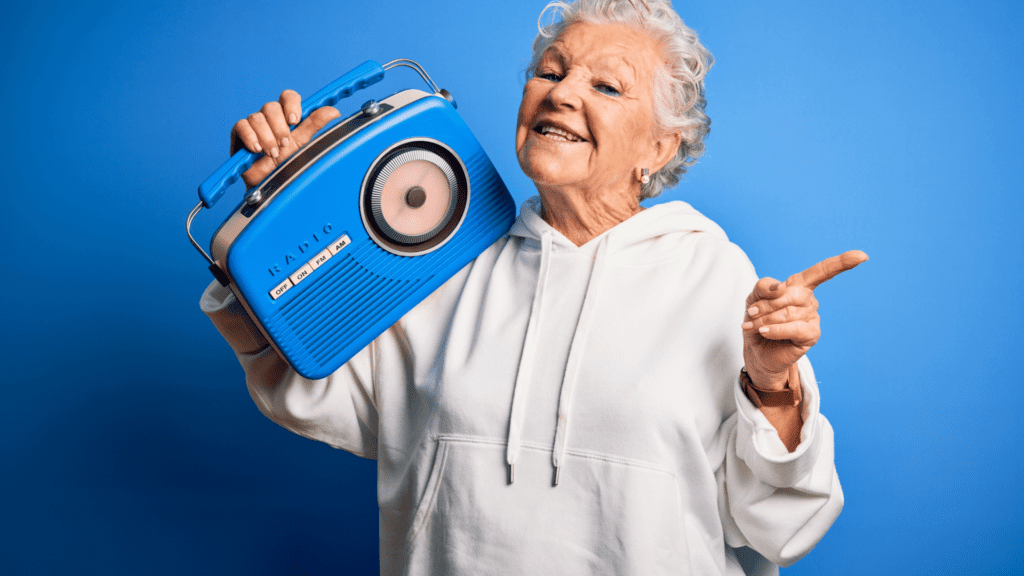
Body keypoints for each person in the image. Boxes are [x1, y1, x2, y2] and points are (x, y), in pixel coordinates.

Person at [201, 1, 866, 574]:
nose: (562, 92)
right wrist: (281, 192)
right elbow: (312, 391)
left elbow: (782, 527)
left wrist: (773, 388)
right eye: (550, 72)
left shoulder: (716, 279)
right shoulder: (442, 259)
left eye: (606, 87)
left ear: (660, 149)